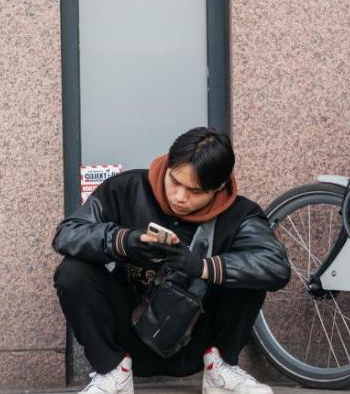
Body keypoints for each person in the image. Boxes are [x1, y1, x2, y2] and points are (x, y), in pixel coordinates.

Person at [52, 127, 291, 394]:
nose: (180, 197)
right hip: (130, 334)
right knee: (72, 271)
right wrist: (122, 241)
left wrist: (204, 267)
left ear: (219, 186)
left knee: (250, 269)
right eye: (175, 181)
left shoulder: (241, 214)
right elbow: (67, 233)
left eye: (194, 191)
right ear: (168, 165)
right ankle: (111, 373)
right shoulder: (128, 188)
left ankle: (221, 370)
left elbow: (276, 267)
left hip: (196, 343)